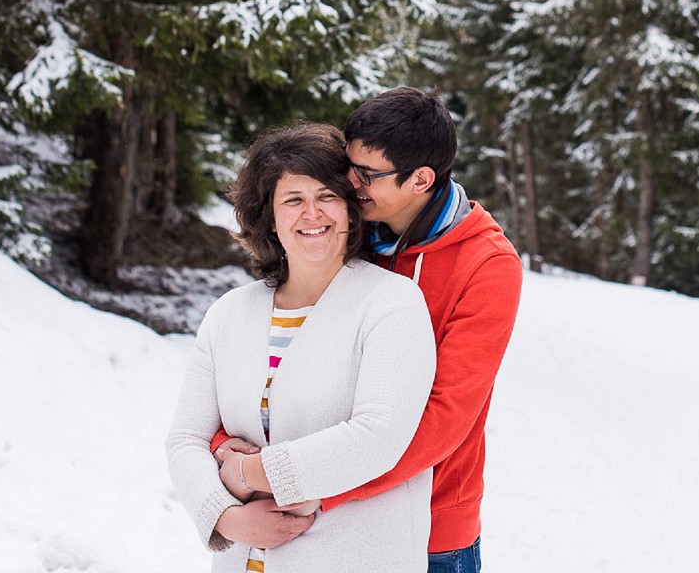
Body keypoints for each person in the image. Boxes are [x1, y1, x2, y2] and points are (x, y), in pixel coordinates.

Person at [213, 88, 523, 572]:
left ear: (420, 178)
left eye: (367, 175)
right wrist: (232, 455)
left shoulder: (486, 265)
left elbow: (445, 416)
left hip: (432, 526)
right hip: (302, 515)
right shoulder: (350, 234)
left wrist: (307, 487)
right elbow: (272, 360)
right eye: (348, 167)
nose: (349, 183)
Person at [166, 121, 436, 573]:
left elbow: (380, 435)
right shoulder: (230, 313)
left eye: (326, 196)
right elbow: (185, 439)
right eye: (293, 200)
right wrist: (227, 518)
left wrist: (250, 474)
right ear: (270, 217)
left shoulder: (392, 302)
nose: (312, 213)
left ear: (352, 210)